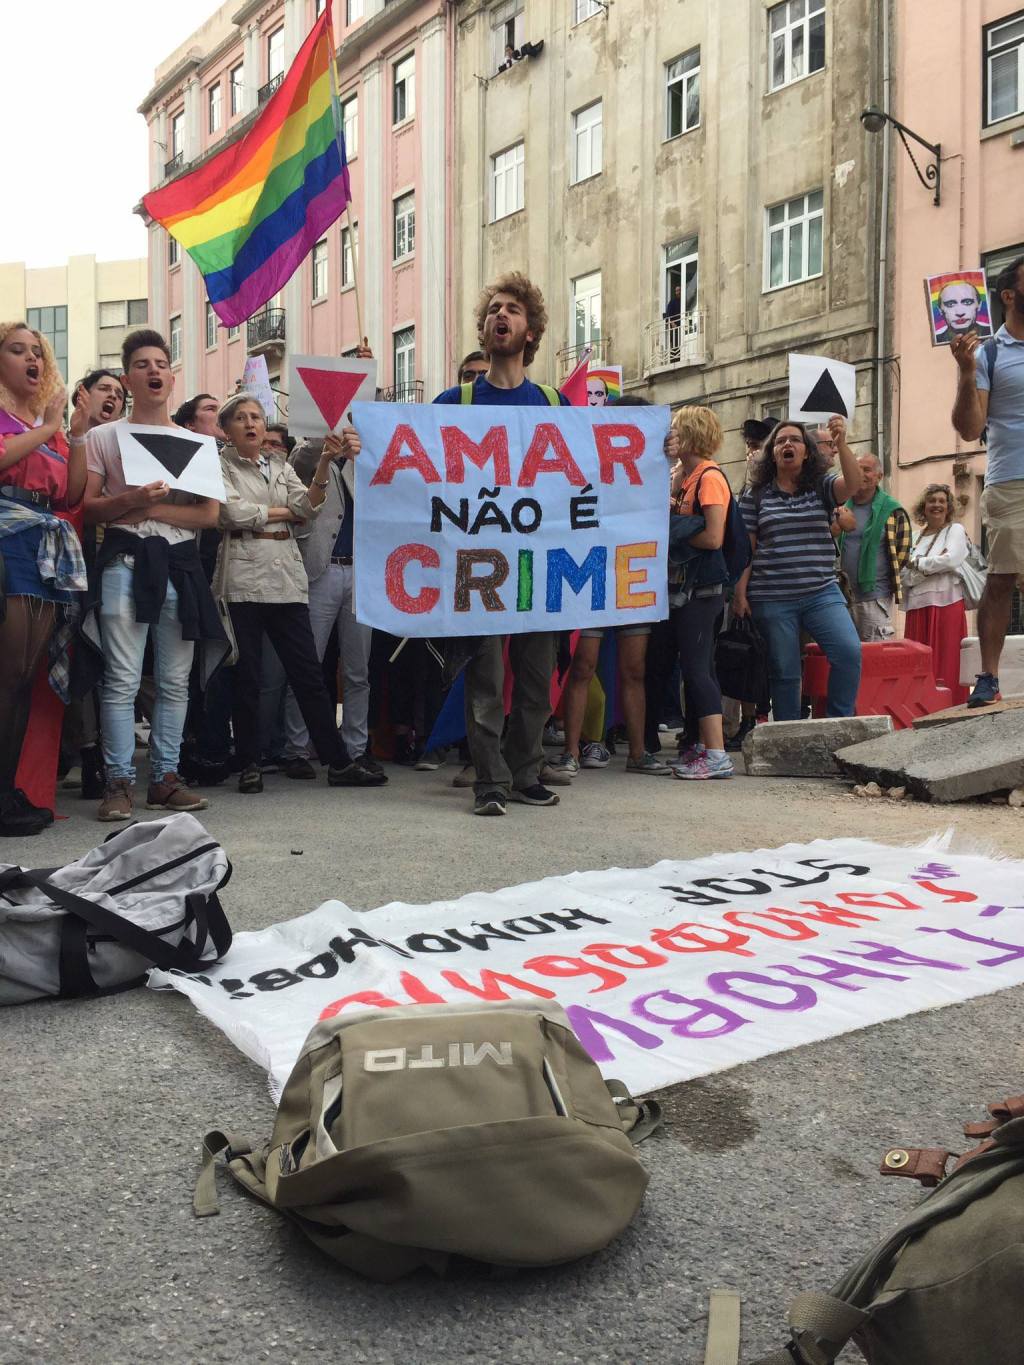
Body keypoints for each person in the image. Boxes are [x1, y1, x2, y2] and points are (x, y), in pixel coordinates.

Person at [433, 272, 571, 816]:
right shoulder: (456, 402)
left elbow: (586, 478)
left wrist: (653, 451)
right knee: (486, 678)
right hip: (480, 564)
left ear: (530, 330)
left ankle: (525, 772)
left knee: (537, 678)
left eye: (512, 308)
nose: (500, 315)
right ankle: (490, 779)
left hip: (539, 563)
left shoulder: (556, 406)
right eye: (493, 308)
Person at [82, 329, 223, 821]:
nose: (153, 371)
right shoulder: (103, 437)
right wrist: (131, 501)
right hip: (125, 564)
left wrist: (151, 509)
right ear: (128, 379)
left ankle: (164, 778)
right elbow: (89, 507)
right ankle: (118, 781)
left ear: (172, 376)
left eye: (161, 363)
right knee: (121, 679)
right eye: (142, 364)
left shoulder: (197, 443)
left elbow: (209, 515)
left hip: (180, 567)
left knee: (176, 682)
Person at [215, 395, 378, 793]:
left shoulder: (279, 464)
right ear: (227, 429)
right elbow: (230, 513)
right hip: (243, 575)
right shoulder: (219, 465)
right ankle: (250, 762)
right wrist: (286, 512)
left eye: (256, 417)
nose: (251, 424)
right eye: (241, 418)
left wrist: (324, 463)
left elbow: (309, 507)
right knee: (249, 675)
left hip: (287, 575)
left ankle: (338, 762)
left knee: (308, 674)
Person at [550, 397, 670, 780]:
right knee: (582, 667)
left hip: (631, 573)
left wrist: (666, 450)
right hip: (589, 572)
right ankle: (571, 751)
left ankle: (637, 752)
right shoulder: (585, 456)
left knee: (634, 670)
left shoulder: (654, 461)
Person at [0, 322, 87, 835]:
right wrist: (45, 426)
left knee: (23, 677)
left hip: (44, 542)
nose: (32, 359)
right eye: (17, 350)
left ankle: (8, 791)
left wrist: (75, 433)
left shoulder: (44, 425)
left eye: (38, 351)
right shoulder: (22, 422)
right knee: (7, 674)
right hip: (7, 537)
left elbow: (71, 493)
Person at [734, 417, 863, 720]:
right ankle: (787, 733)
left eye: (794, 440)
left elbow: (853, 485)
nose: (787, 444)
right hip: (772, 597)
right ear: (772, 453)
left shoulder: (822, 486)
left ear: (807, 452)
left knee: (848, 652)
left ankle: (837, 722)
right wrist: (740, 594)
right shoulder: (755, 494)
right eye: (780, 441)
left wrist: (842, 445)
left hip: (821, 593)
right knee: (785, 673)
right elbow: (747, 550)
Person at [284, 420, 386, 787]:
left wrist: (362, 455)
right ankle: (296, 749)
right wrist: (326, 448)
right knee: (307, 665)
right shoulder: (309, 449)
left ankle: (355, 749)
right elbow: (299, 472)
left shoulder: (371, 456)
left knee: (359, 671)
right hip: (320, 570)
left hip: (361, 572)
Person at [951, 255, 1024, 706]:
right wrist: (965, 372)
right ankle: (990, 678)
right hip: (1011, 481)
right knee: (1002, 580)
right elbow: (969, 428)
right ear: (1009, 295)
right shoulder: (988, 353)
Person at [60, 370, 128, 800]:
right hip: (74, 565)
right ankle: (88, 754)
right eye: (105, 388)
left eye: (119, 394)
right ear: (81, 396)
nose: (113, 397)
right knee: (82, 657)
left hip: (122, 563)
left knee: (123, 665)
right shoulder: (64, 443)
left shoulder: (130, 445)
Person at [666, 406, 734, 780]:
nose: (671, 437)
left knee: (697, 669)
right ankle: (707, 748)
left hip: (703, 589)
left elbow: (713, 537)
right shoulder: (690, 476)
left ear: (690, 434)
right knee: (698, 667)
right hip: (694, 588)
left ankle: (717, 755)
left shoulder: (709, 477)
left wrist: (676, 533)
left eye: (677, 431)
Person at [903, 483, 969, 705]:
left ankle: (950, 705)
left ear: (949, 506)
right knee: (917, 663)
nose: (937, 505)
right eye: (932, 501)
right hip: (917, 606)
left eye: (942, 501)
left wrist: (917, 564)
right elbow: (903, 574)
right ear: (924, 506)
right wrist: (933, 565)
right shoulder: (913, 537)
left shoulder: (955, 530)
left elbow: (951, 560)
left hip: (947, 603)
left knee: (947, 660)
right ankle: (918, 707)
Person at [838, 453, 912, 642]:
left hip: (875, 599)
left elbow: (902, 555)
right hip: (840, 598)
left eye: (867, 470)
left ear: (879, 477)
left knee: (874, 655)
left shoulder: (893, 510)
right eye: (857, 469)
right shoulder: (840, 506)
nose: (860, 474)